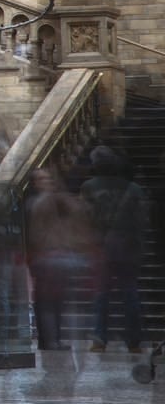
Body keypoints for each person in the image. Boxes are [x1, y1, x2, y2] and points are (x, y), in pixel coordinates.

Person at [25, 166, 95, 397]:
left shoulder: (40, 204)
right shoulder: (69, 202)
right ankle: (58, 352)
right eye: (38, 179)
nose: (41, 183)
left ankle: (53, 347)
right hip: (66, 260)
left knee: (46, 307)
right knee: (56, 306)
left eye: (43, 178)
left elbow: (35, 235)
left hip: (49, 260)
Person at [80, 145, 148, 353]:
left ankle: (100, 338)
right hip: (128, 247)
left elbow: (85, 218)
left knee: (101, 294)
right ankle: (134, 341)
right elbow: (142, 221)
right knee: (130, 293)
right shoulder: (134, 189)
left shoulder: (88, 187)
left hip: (101, 247)